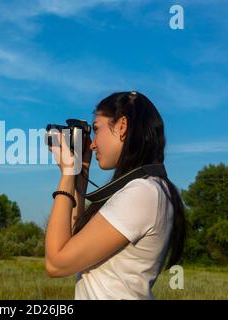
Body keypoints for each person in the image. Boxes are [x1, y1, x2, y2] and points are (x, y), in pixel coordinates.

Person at [45, 91, 186, 299]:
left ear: (122, 126)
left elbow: (56, 264)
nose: (92, 144)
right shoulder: (147, 189)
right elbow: (73, 243)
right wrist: (80, 174)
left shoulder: (142, 193)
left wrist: (66, 174)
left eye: (96, 129)